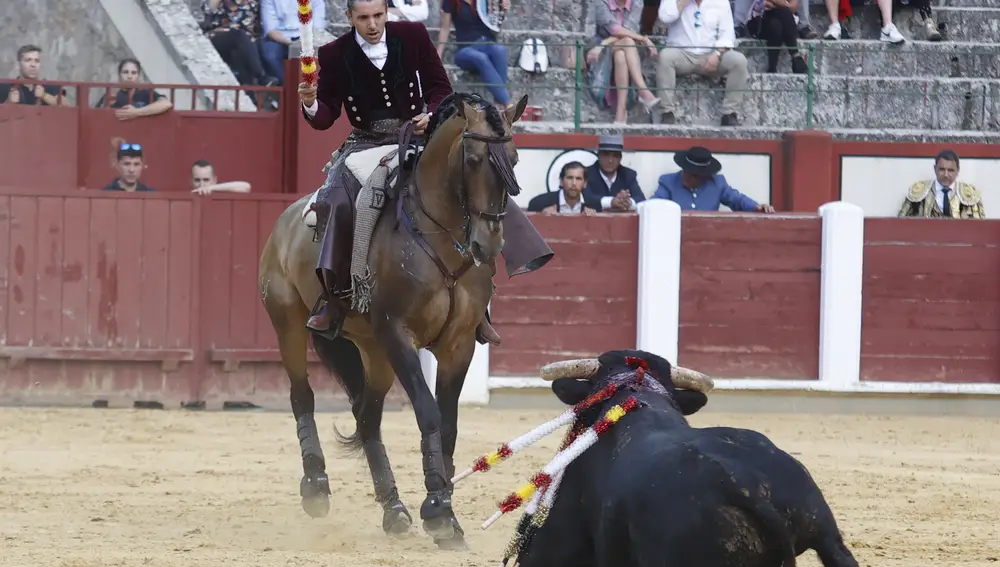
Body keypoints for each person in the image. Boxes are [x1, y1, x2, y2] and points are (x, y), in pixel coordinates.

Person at [298, 0, 550, 345]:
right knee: (337, 202)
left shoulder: (412, 35)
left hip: (419, 137)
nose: (372, 24)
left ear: (386, 13)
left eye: (377, 16)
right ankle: (334, 300)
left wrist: (431, 115)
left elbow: (439, 86)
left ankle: (480, 305)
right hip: (366, 142)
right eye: (363, 18)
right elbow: (325, 116)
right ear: (349, 18)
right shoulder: (333, 53)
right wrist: (311, 102)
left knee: (476, 182)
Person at [652, 146, 775, 212]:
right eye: (687, 172)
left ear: (704, 177)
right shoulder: (668, 182)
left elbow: (737, 200)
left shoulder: (717, 183)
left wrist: (756, 207)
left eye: (695, 175)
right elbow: (654, 205)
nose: (689, 178)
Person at [897, 149, 984, 219]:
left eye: (950, 170)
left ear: (958, 170)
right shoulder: (919, 191)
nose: (946, 175)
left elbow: (980, 227)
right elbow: (901, 223)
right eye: (942, 169)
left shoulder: (969, 193)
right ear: (935, 169)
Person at [95, 58, 174, 119]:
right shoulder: (111, 95)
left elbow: (166, 104)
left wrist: (136, 112)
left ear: (138, 76)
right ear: (119, 74)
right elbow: (96, 116)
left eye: (134, 73)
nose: (129, 76)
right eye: (125, 72)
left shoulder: (145, 93)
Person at [527, 161, 601, 215]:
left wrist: (593, 219)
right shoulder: (539, 203)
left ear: (585, 184)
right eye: (569, 178)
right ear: (561, 181)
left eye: (578, 179)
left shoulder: (594, 205)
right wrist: (541, 217)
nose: (574, 183)